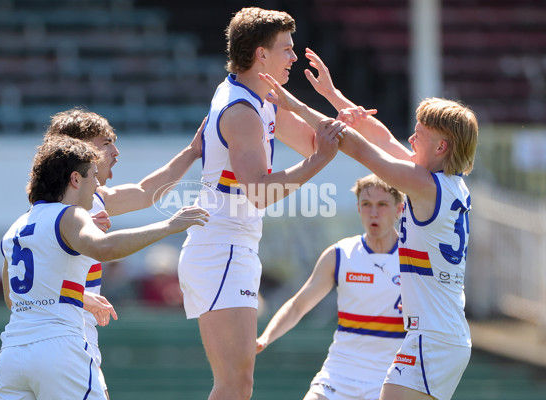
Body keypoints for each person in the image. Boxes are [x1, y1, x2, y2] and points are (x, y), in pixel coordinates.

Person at [258, 52, 478, 400]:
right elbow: (384, 139)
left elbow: (357, 147)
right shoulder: (445, 181)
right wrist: (333, 94)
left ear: (441, 146)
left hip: (432, 338)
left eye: (419, 135)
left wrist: (294, 104)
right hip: (440, 336)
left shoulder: (424, 185)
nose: (410, 139)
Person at [177, 7, 344, 400]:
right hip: (221, 247)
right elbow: (261, 190)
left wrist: (335, 108)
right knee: (235, 385)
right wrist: (318, 163)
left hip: (232, 246)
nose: (293, 56)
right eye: (286, 49)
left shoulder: (258, 95)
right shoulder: (241, 109)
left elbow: (311, 140)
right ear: (260, 54)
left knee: (238, 385)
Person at [0, 136, 208, 399]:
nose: (97, 185)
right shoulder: (69, 214)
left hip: (12, 355)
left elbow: (14, 299)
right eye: (92, 176)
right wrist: (169, 226)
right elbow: (104, 248)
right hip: (59, 349)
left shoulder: (15, 227)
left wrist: (79, 297)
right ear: (75, 179)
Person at [44, 107, 205, 398]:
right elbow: (97, 249)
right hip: (67, 337)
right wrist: (170, 226)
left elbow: (146, 192)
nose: (116, 152)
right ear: (75, 149)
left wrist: (193, 152)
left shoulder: (81, 201)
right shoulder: (63, 214)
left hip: (39, 342)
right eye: (106, 143)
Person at [256, 174, 405, 400]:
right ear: (358, 208)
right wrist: (265, 338)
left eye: (382, 205)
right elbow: (298, 305)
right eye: (366, 204)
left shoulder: (415, 260)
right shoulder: (340, 254)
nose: (373, 213)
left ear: (398, 209)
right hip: (339, 373)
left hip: (390, 378)